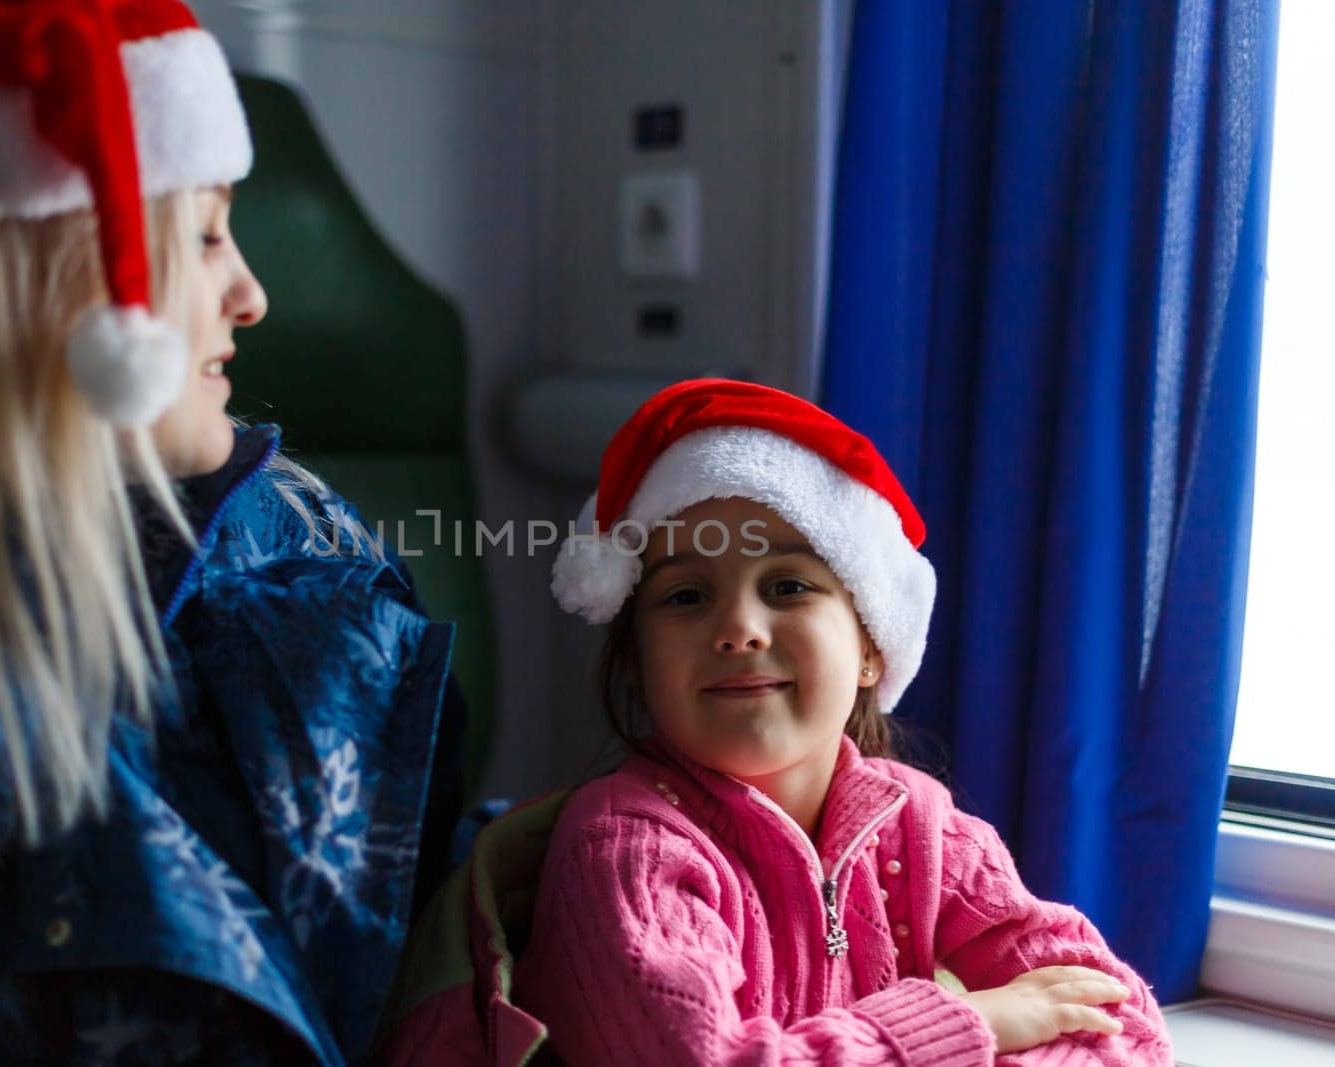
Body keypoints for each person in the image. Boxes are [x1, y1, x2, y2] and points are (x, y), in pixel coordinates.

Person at [0, 2, 461, 1064]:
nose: (251, 295)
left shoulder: (300, 538)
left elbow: (413, 898)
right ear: (40, 281)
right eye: (206, 233)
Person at [381, 379, 1170, 1065]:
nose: (739, 627)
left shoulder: (921, 829)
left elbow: (1113, 1016)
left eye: (788, 585)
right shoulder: (625, 851)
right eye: (686, 596)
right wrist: (971, 1022)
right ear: (638, 664)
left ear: (870, 645)